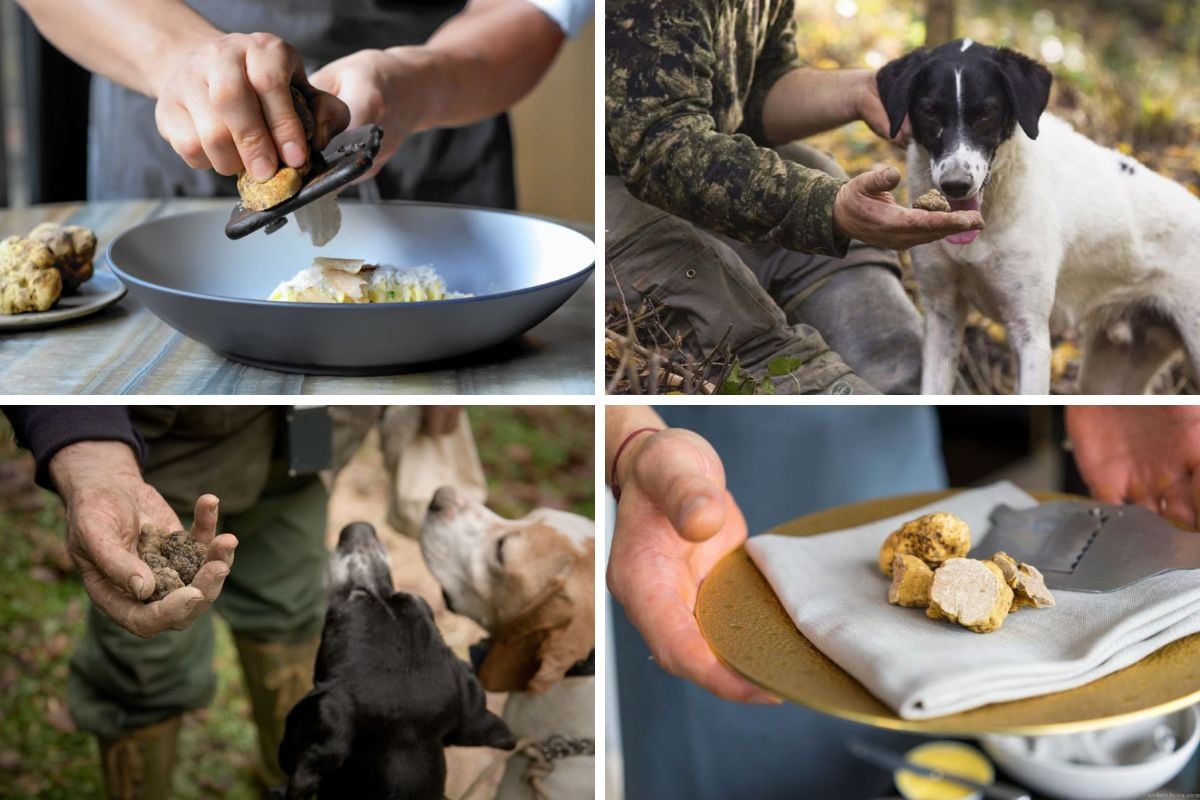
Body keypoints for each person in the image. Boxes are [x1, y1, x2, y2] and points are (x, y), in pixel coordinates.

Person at [605, 405, 1200, 798]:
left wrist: (1104, 393)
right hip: (708, 520)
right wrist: (629, 442)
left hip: (886, 477)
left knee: (914, 766)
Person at [1, 405, 459, 800]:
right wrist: (89, 452)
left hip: (306, 443)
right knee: (142, 665)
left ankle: (290, 780)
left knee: (291, 615)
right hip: (157, 459)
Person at [606, 0, 983, 394]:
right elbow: (662, 146)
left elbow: (750, 95)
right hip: (609, 194)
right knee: (731, 312)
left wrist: (857, 91)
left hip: (675, 166)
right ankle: (803, 379)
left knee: (818, 171)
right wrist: (826, 207)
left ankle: (906, 378)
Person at [16, 0, 591, 207]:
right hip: (168, 155)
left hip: (431, 141)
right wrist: (175, 57)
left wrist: (417, 82)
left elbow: (535, 8)